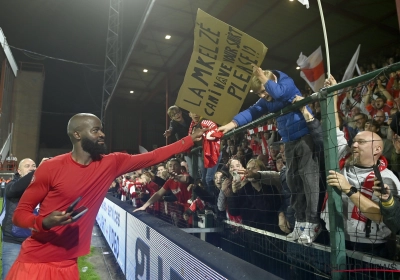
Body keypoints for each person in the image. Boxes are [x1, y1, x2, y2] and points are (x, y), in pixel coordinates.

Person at [7, 113, 206, 280]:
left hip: (68, 265)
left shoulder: (112, 163)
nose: (102, 134)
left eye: (101, 129)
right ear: (77, 134)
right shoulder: (50, 168)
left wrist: (188, 140)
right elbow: (20, 215)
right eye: (95, 130)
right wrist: (43, 222)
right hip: (35, 263)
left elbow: (153, 156)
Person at [218, 64, 320, 244]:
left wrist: (264, 79)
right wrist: (232, 124)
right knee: (292, 181)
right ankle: (300, 223)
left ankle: (312, 224)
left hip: (305, 137)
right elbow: (252, 111)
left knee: (308, 180)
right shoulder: (267, 97)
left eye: (264, 91)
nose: (264, 96)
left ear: (272, 80)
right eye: (259, 94)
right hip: (289, 141)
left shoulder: (285, 82)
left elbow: (280, 93)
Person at [322, 75, 400, 257]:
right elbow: (333, 127)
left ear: (377, 149)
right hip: (334, 236)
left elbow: (383, 216)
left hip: (370, 247)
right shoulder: (344, 157)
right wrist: (333, 96)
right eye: (354, 141)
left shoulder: (387, 178)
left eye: (361, 142)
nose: (354, 145)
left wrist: (348, 189)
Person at [1, 158, 47, 279]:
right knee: (10, 276)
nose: (31, 168)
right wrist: (37, 171)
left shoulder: (42, 187)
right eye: (27, 166)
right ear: (19, 171)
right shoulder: (11, 185)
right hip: (14, 241)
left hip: (36, 242)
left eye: (34, 165)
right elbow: (17, 188)